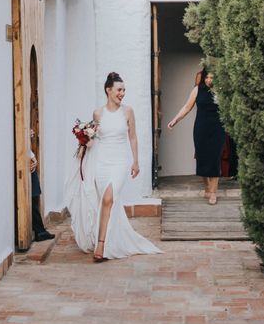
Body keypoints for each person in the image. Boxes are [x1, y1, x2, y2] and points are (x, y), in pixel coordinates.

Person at [65, 72, 162, 262]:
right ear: (108, 91)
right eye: (119, 89)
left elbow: (132, 136)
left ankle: (101, 244)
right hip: (101, 161)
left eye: (124, 90)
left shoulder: (128, 112)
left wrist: (135, 161)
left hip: (120, 162)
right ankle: (111, 237)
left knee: (109, 198)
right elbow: (93, 137)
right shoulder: (98, 113)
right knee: (105, 201)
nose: (122, 93)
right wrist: (85, 139)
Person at [167, 68, 226, 205]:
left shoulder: (221, 91)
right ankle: (206, 187)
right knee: (202, 157)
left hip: (218, 129)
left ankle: (213, 193)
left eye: (212, 77)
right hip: (201, 128)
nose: (209, 80)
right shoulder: (197, 90)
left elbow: (228, 109)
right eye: (207, 77)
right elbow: (187, 107)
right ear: (203, 77)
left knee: (215, 158)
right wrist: (175, 120)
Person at [30, 131, 55, 242]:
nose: (33, 132)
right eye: (30, 130)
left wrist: (33, 159)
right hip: (28, 170)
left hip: (31, 169)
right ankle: (40, 231)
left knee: (35, 197)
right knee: (33, 199)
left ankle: (40, 230)